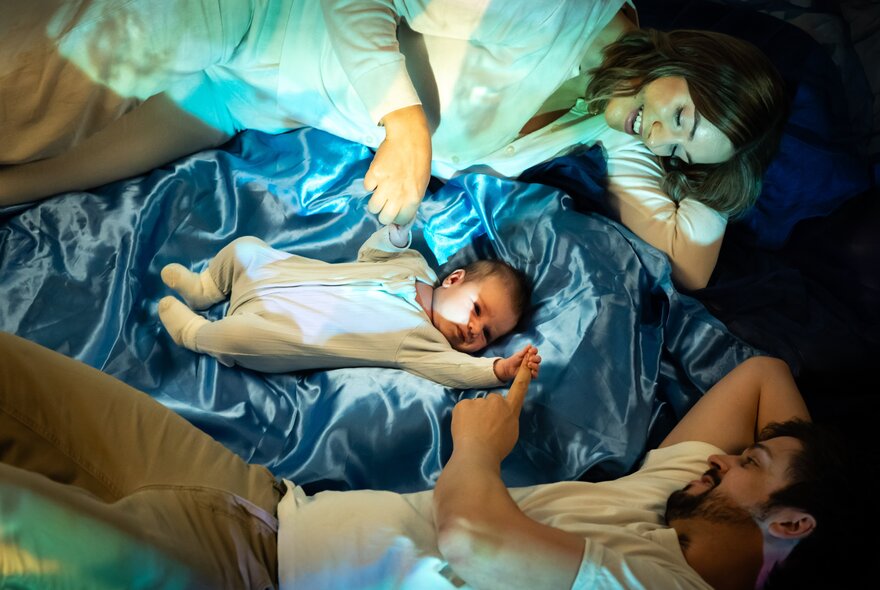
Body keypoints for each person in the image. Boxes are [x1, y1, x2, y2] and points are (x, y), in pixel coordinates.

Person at [0, 0, 785, 290]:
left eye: (680, 152)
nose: (658, 138)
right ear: (688, 59)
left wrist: (713, 166)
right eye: (680, 116)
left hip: (246, 97)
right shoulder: (552, 12)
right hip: (245, 15)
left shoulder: (604, 120)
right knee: (30, 92)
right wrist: (402, 122)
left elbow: (691, 269)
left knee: (28, 179)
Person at [0, 331, 861, 589]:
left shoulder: (659, 587)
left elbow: (474, 539)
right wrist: (803, 463)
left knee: (16, 529)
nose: (714, 463)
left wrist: (479, 445)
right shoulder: (679, 494)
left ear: (788, 523)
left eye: (744, 463)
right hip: (259, 498)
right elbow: (765, 371)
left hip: (244, 575)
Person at [158, 224, 539, 387]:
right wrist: (395, 236)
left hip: (285, 331)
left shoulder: (425, 343)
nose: (475, 330)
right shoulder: (414, 265)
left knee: (239, 338)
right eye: (477, 310)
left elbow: (455, 370)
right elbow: (369, 255)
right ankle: (206, 287)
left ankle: (195, 334)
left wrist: (498, 369)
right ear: (454, 279)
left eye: (488, 334)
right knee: (246, 249)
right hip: (287, 277)